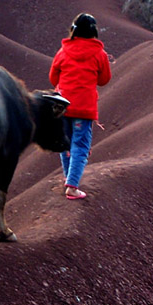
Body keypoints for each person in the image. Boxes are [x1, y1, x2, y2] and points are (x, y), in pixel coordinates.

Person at [49, 13, 112, 200]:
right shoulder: (99, 54)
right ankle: (72, 185)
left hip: (62, 107)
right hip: (83, 109)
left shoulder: (63, 51)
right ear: (94, 31)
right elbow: (104, 79)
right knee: (80, 145)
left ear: (73, 30)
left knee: (65, 143)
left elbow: (53, 77)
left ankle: (68, 178)